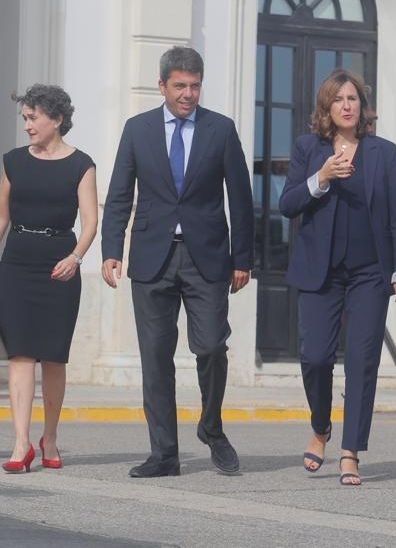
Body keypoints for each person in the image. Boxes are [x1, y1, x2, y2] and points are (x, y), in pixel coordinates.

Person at [101, 46, 254, 477]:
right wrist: (112, 249)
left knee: (210, 345)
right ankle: (164, 454)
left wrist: (242, 258)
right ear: (163, 85)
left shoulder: (220, 130)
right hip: (151, 257)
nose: (188, 94)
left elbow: (240, 199)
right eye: (180, 86)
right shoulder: (138, 129)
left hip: (207, 257)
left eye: (195, 86)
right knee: (155, 355)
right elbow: (118, 194)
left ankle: (211, 427)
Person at [278, 69, 396, 487]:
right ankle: (321, 427)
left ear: (362, 106)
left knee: (361, 362)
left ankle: (351, 451)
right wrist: (322, 178)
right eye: (339, 100)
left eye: (353, 98)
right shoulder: (308, 149)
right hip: (321, 273)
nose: (347, 105)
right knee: (315, 357)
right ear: (327, 107)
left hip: (370, 273)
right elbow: (287, 204)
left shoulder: (382, 153)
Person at [0, 84, 97, 473]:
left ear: (57, 119)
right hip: (19, 263)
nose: (27, 125)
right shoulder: (14, 161)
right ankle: (20, 443)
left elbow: (91, 222)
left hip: (60, 263)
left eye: (33, 118)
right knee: (20, 354)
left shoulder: (82, 164)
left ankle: (51, 437)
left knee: (54, 359)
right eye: (24, 118)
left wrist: (75, 257)